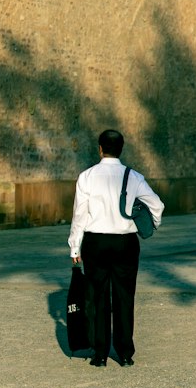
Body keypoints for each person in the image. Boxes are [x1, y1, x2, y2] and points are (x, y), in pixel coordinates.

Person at [69, 129, 164, 367]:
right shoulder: (134, 177)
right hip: (125, 242)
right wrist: (153, 224)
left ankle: (100, 354)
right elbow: (157, 204)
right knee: (124, 296)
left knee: (97, 296)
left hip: (96, 241)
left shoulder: (87, 176)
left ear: (100, 148)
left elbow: (79, 215)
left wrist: (74, 247)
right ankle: (124, 353)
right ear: (121, 149)